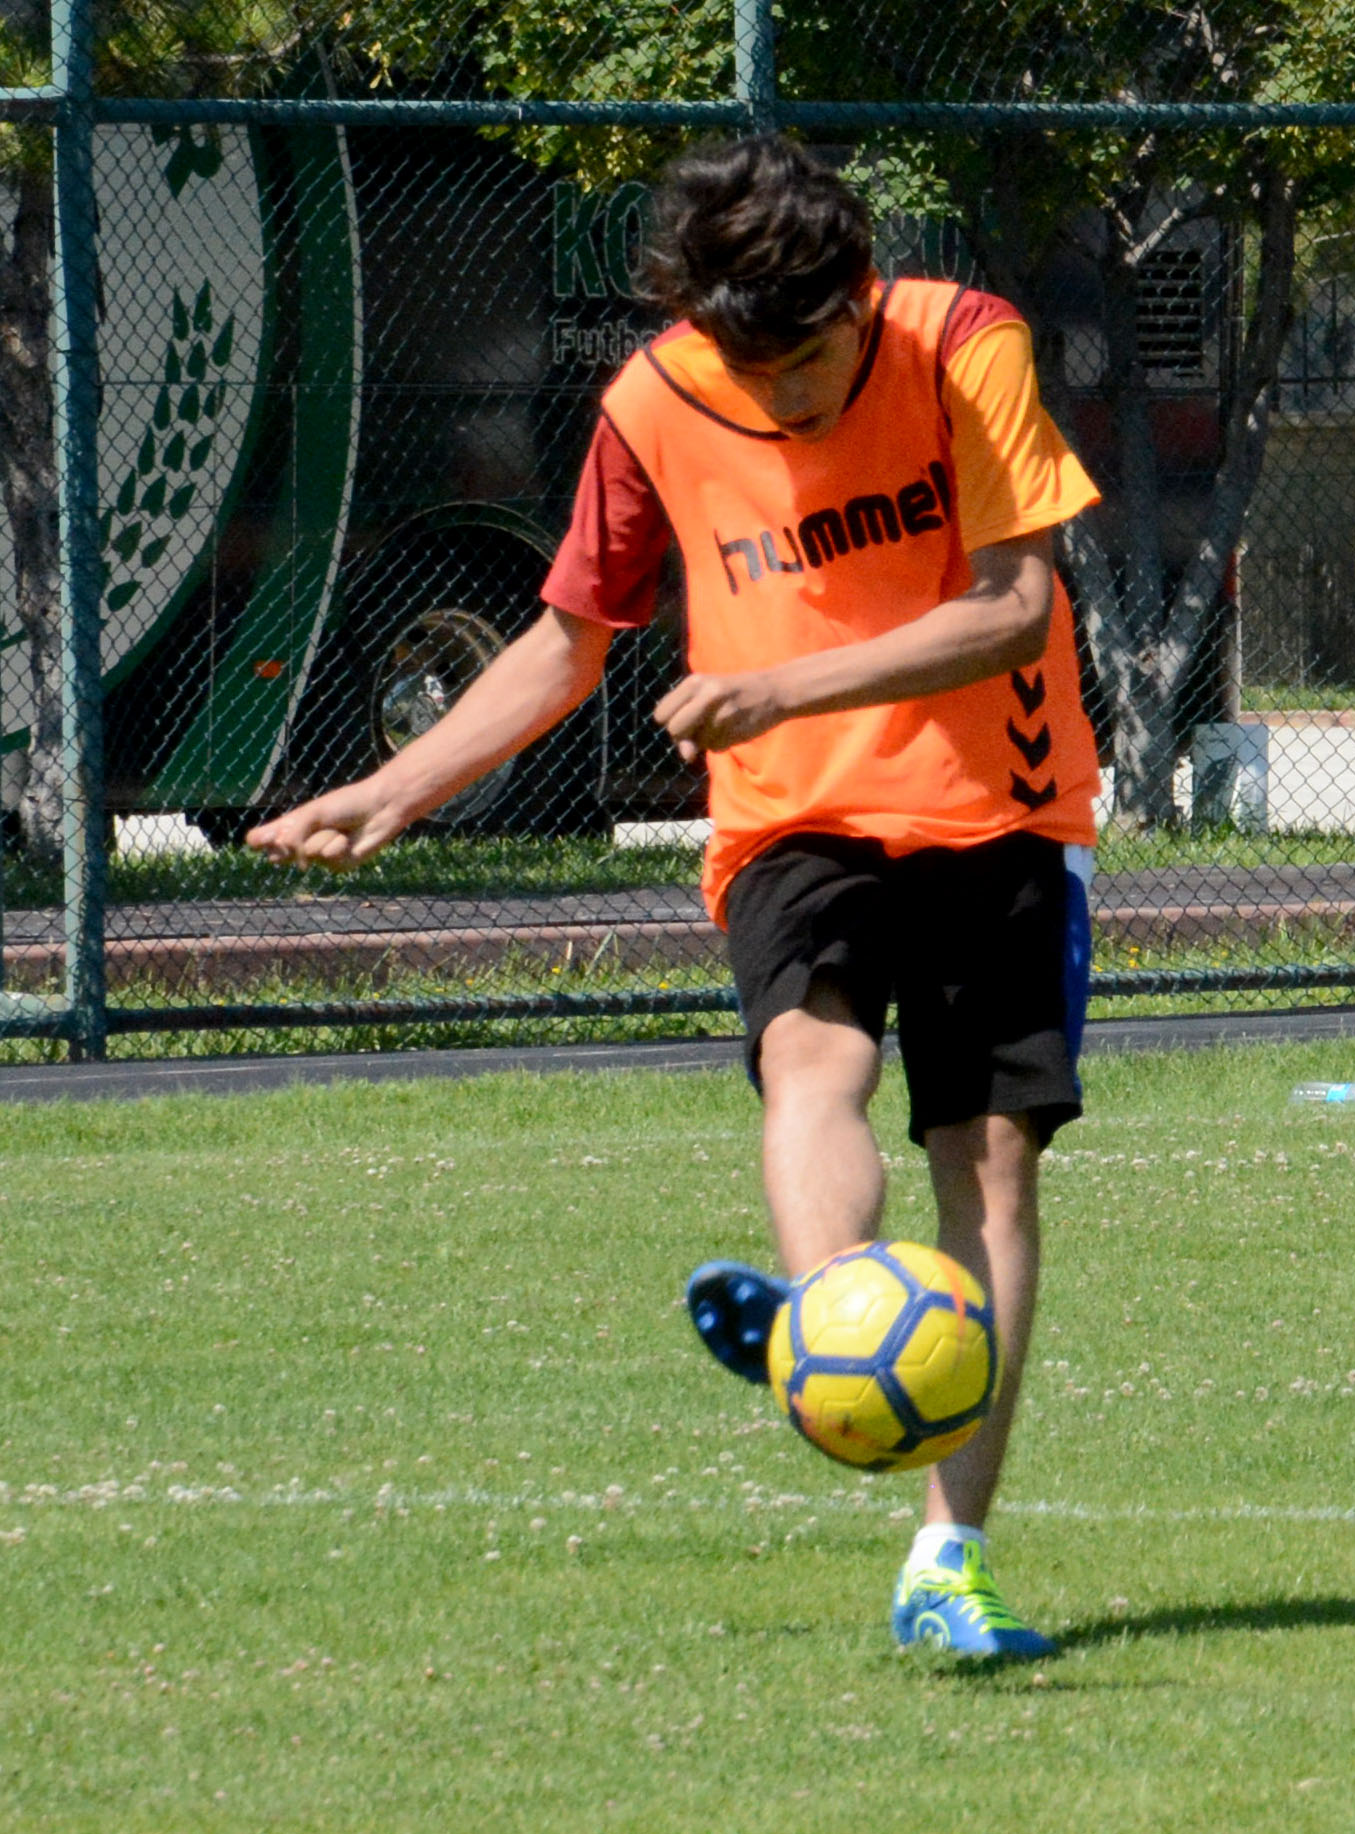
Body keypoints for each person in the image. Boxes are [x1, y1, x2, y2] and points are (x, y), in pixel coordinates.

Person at [247, 136, 1105, 1662]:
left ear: (861, 296)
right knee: (811, 1055)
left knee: (991, 1165)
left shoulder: (964, 340)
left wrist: (780, 680)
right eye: (748, 363)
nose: (777, 397)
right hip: (791, 815)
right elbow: (566, 642)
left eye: (806, 361)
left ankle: (947, 1559)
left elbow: (1016, 602)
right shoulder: (651, 398)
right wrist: (398, 784)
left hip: (997, 802)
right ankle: (831, 1313)